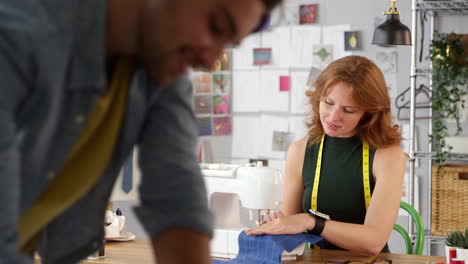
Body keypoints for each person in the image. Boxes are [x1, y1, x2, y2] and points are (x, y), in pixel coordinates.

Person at [0, 0, 282, 263]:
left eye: (228, 44)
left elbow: (178, 202)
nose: (210, 62)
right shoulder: (17, 36)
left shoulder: (159, 69)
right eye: (216, 27)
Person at [245, 56, 405, 256]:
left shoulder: (387, 156)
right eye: (328, 103)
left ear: (368, 113)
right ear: (318, 97)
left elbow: (374, 241)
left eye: (348, 110)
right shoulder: (301, 151)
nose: (333, 116)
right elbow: (292, 228)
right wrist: (278, 225)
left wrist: (312, 222)